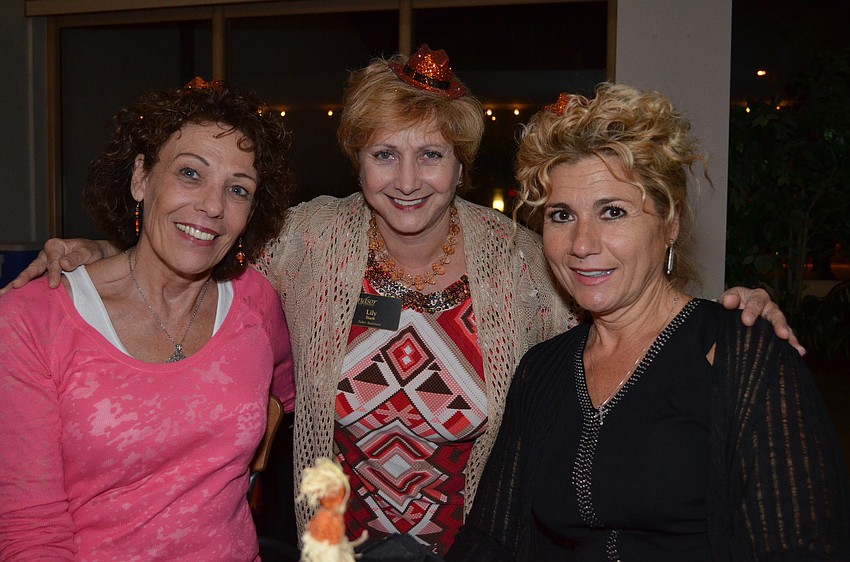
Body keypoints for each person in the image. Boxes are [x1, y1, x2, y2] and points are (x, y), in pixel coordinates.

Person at [0, 48, 797, 556]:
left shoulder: (524, 260)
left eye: (431, 155)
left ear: (460, 161)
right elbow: (199, 244)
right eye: (384, 154)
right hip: (329, 549)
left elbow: (619, 308)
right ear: (357, 159)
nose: (407, 179)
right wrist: (95, 252)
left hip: (478, 548)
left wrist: (722, 314)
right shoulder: (305, 241)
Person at [445, 84, 850, 561]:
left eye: (612, 212)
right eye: (561, 215)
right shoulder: (543, 370)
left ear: (670, 223)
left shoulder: (741, 351)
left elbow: (801, 546)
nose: (582, 243)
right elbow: (493, 540)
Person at [0, 78, 296, 561]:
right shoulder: (30, 322)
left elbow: (286, 398)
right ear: (141, 178)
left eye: (237, 189)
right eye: (190, 174)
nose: (213, 207)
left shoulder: (254, 301)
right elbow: (30, 533)